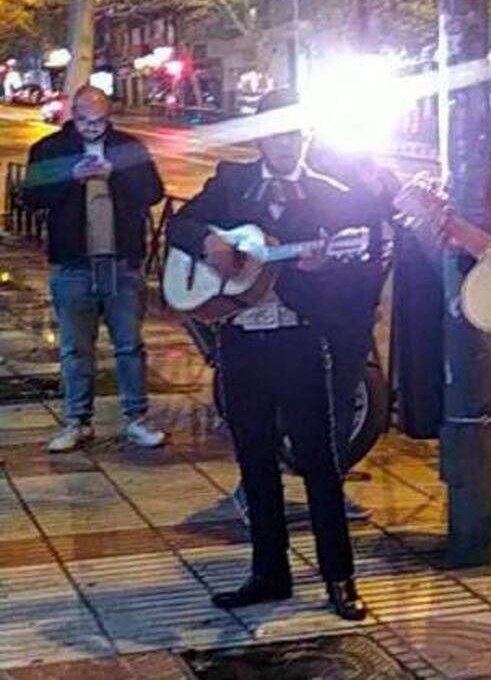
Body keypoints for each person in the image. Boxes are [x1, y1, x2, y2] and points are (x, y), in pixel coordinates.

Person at [165, 89, 390, 621]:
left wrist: (320, 273)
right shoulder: (231, 182)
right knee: (255, 459)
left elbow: (362, 274)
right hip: (241, 341)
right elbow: (179, 225)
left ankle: (340, 577)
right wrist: (210, 244)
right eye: (277, 132)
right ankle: (268, 574)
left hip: (300, 341)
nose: (286, 143)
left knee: (318, 462)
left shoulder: (333, 195)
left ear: (307, 136)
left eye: (296, 133)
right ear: (261, 135)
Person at [24, 85, 167, 453]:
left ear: (109, 116)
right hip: (73, 263)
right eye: (85, 120)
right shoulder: (50, 149)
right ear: (73, 114)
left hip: (121, 261)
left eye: (100, 121)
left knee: (129, 346)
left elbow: (153, 191)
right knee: (75, 348)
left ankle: (136, 418)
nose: (92, 128)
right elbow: (31, 197)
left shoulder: (127, 147)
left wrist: (115, 173)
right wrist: (72, 176)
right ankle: (77, 421)